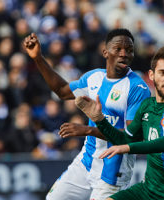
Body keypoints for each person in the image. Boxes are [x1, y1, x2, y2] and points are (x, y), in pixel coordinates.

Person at [23, 28, 151, 200]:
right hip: (86, 162)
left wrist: (87, 130)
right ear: (105, 52)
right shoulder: (94, 77)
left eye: (129, 50)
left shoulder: (137, 88)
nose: (124, 54)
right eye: (118, 49)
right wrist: (38, 58)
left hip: (113, 172)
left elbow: (131, 138)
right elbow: (61, 90)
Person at [61, 47, 164, 200]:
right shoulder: (147, 106)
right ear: (152, 75)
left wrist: (127, 147)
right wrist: (99, 120)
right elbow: (126, 139)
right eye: (162, 73)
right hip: (148, 189)